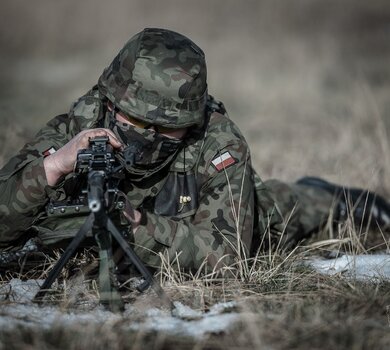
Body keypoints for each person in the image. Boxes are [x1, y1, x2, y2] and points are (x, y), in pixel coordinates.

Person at [0, 28, 389, 274]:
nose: (149, 136)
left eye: (167, 126)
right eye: (136, 122)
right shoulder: (79, 125)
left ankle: (327, 195)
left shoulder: (219, 142)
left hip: (232, 218)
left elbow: (227, 257)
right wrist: (51, 168)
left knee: (277, 211)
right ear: (112, 103)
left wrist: (135, 223)